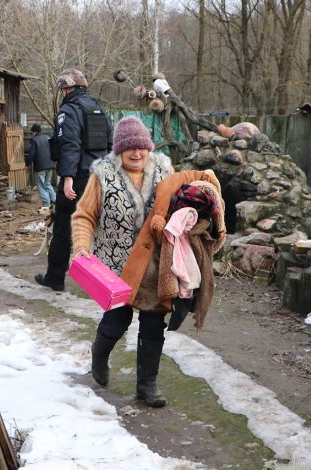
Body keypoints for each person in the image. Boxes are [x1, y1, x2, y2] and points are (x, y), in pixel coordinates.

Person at [71, 116, 173, 407]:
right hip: (116, 266)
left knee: (154, 326)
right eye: (129, 148)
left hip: (155, 265)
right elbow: (84, 216)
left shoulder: (165, 171)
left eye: (142, 147)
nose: (137, 153)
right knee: (118, 321)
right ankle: (99, 355)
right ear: (119, 150)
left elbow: (179, 209)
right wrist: (81, 246)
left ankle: (147, 385)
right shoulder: (103, 176)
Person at [34, 69, 112, 291]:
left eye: (62, 89)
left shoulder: (68, 111)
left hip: (78, 178)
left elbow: (70, 145)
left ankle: (55, 278)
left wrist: (67, 177)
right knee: (98, 228)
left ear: (66, 89)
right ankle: (106, 281)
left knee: (64, 228)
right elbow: (110, 144)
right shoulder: (98, 109)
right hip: (100, 177)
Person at [26, 123, 56, 207]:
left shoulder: (34, 140)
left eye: (31, 133)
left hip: (40, 167)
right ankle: (55, 201)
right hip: (51, 165)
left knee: (41, 186)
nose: (31, 135)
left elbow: (31, 154)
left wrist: (27, 163)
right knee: (48, 184)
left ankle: (46, 205)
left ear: (35, 132)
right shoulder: (48, 138)